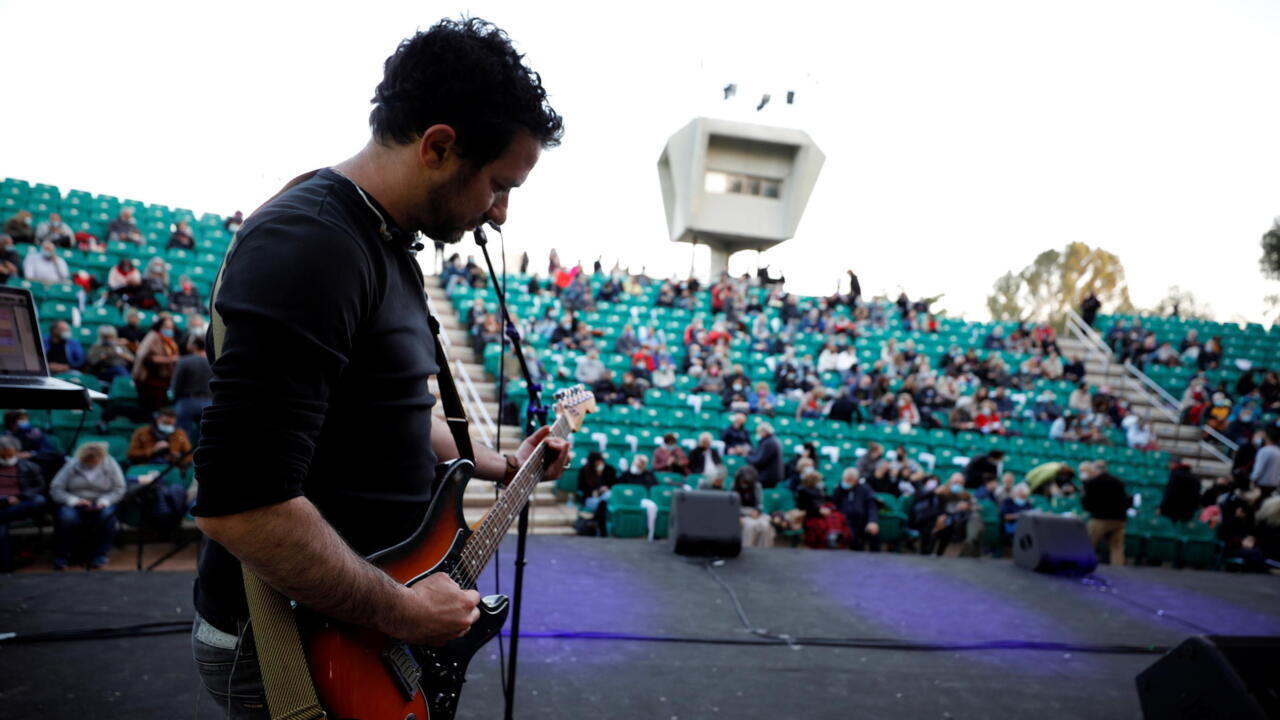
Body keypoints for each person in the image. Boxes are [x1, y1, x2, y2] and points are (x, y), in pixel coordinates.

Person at [189, 18, 569, 717]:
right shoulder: (314, 242)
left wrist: (495, 461)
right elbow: (240, 505)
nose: (502, 213)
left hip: (368, 627)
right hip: (305, 644)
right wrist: (403, 612)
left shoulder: (387, 243)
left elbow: (388, 412)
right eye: (498, 184)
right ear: (439, 146)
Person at [49, 442, 125, 570]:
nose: (92, 462)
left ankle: (99, 555)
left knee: (107, 516)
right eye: (88, 460)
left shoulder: (110, 464)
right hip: (74, 501)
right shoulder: (72, 464)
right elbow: (56, 488)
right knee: (67, 518)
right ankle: (64, 556)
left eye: (95, 459)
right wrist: (74, 500)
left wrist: (104, 501)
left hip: (102, 501)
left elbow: (119, 488)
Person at [0, 436, 47, 573]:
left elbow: (40, 486)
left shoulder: (29, 465)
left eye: (9, 453)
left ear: (16, 451)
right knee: (1, 528)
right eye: (4, 454)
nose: (7, 457)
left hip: (19, 504)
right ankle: (5, 569)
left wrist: (20, 497)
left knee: (39, 500)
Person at [1080, 461, 1131, 566]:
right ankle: (1119, 572)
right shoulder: (1118, 481)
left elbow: (1086, 505)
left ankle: (1082, 566)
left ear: (1095, 470)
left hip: (1100, 519)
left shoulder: (1093, 483)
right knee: (1117, 548)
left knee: (1088, 544)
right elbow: (1126, 500)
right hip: (1119, 520)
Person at [132, 316, 180, 414]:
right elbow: (146, 357)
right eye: (166, 326)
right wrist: (170, 359)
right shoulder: (153, 336)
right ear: (160, 326)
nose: (169, 329)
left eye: (171, 327)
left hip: (164, 379)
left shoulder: (170, 340)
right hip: (150, 379)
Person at [171, 336, 213, 445]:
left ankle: (183, 459)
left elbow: (176, 384)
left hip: (186, 402)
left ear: (194, 346)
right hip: (207, 402)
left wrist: (174, 399)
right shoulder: (212, 363)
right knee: (205, 436)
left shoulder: (184, 361)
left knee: (182, 434)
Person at [128, 407, 195, 468]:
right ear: (157, 419)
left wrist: (177, 457)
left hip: (170, 468)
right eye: (165, 423)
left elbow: (189, 457)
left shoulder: (180, 434)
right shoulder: (142, 432)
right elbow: (131, 454)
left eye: (171, 424)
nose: (168, 426)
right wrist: (153, 450)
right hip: (146, 466)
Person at [831, 468, 880, 551]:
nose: (846, 482)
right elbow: (834, 504)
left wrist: (872, 521)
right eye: (845, 480)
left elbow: (872, 507)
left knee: (873, 531)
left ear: (856, 480)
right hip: (843, 521)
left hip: (860, 522)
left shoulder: (865, 489)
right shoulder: (839, 489)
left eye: (850, 480)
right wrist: (839, 489)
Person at [732, 466, 774, 548]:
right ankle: (747, 550)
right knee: (751, 526)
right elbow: (731, 505)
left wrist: (757, 511)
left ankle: (763, 551)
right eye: (743, 481)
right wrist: (738, 516)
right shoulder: (734, 486)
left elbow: (760, 504)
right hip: (740, 513)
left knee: (765, 526)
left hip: (754, 513)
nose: (745, 484)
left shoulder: (757, 486)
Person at [745, 421, 784, 488]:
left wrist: (746, 456)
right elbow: (759, 452)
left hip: (768, 477)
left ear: (764, 432)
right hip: (769, 476)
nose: (758, 434)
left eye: (758, 432)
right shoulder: (771, 440)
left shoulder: (769, 443)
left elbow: (759, 460)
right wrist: (750, 452)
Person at [1251, 425, 1280, 499]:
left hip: (1262, 485)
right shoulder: (1278, 451)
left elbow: (1258, 470)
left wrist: (1252, 480)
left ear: (1267, 437)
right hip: (1274, 485)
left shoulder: (1264, 451)